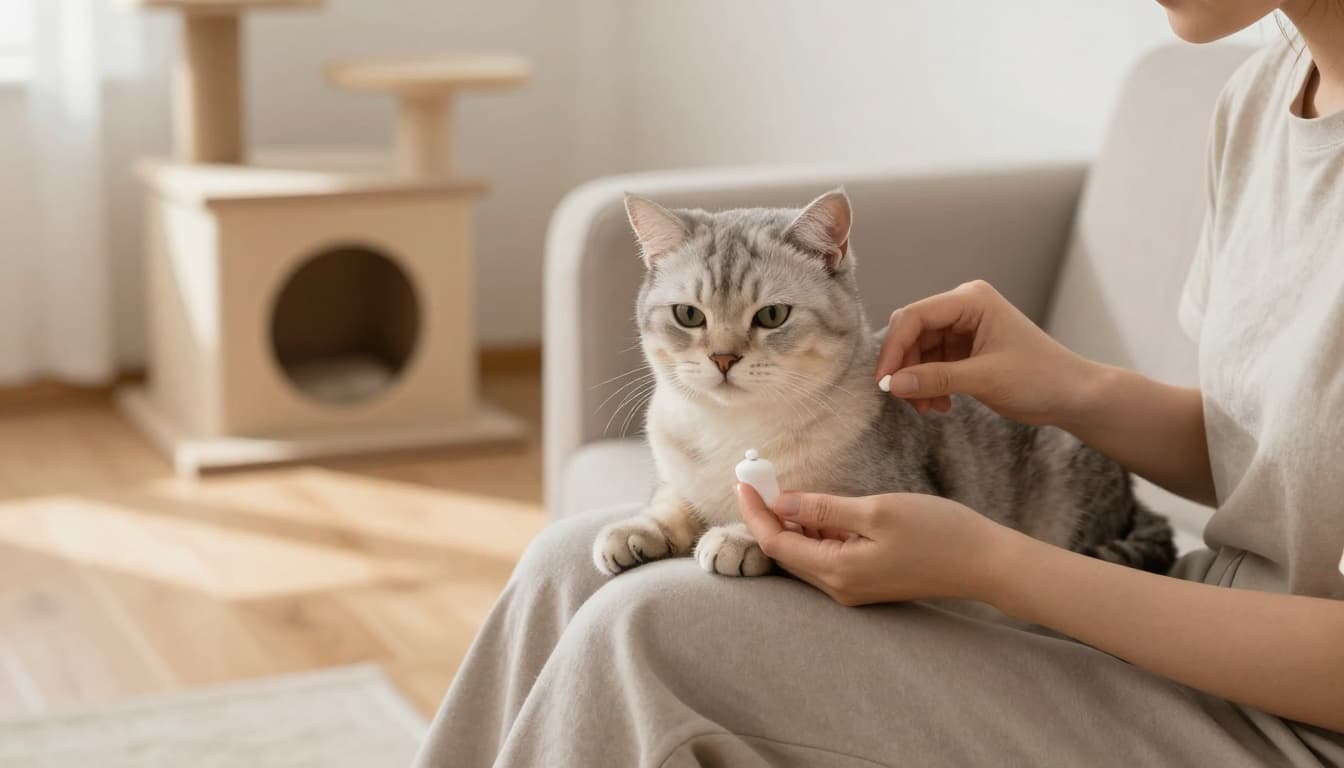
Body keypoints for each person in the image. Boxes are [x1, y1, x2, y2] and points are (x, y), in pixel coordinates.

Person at [413, 1, 1344, 764]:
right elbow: (1290, 477)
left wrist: (994, 564)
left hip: (1291, 720)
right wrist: (1070, 388)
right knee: (564, 567)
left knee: (646, 634)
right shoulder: (1261, 97)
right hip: (1192, 611)